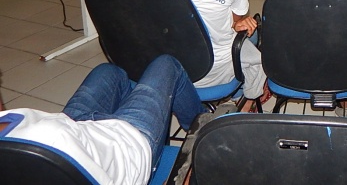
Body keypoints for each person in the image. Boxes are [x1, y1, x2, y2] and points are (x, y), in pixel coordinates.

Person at [0, 55, 206, 185]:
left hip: (76, 130)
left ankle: (138, 108)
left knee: (109, 72)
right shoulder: (45, 141)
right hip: (129, 147)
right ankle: (204, 130)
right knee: (166, 64)